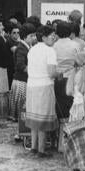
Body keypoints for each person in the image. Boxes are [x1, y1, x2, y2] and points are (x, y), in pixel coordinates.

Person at [26, 25, 59, 157]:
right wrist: (60, 73)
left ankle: (33, 147)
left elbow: (29, 68)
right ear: (44, 37)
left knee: (34, 117)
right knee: (43, 118)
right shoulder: (50, 51)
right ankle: (41, 150)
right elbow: (51, 73)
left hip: (32, 85)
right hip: (45, 85)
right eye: (51, 35)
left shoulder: (32, 49)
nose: (54, 37)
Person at [9, 23, 37, 123]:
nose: (34, 38)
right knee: (22, 111)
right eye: (31, 36)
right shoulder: (21, 48)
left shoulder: (27, 47)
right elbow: (20, 65)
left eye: (34, 35)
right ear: (25, 37)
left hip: (23, 80)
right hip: (21, 81)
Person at [53, 22, 80, 120]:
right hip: (72, 79)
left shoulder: (53, 46)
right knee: (71, 106)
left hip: (58, 78)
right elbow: (79, 62)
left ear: (57, 32)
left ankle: (59, 132)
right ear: (70, 32)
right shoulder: (76, 45)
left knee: (59, 107)